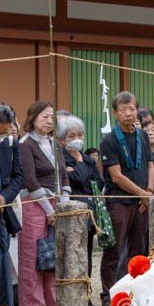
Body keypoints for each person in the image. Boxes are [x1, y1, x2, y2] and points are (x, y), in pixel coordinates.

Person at [100, 92, 154, 306]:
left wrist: (149, 191)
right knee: (114, 249)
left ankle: (137, 291)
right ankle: (108, 294)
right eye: (122, 110)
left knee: (138, 249)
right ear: (115, 113)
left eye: (131, 109)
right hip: (119, 201)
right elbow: (116, 176)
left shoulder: (142, 135)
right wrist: (142, 194)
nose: (128, 113)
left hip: (142, 202)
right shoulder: (109, 140)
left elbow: (150, 165)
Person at [17, 101, 69, 306]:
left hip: (57, 203)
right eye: (44, 117)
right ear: (33, 118)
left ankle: (52, 303)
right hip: (34, 203)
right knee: (33, 256)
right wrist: (49, 209)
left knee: (52, 254)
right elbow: (30, 180)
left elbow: (64, 175)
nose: (48, 121)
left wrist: (64, 201)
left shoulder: (55, 144)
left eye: (51, 117)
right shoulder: (25, 144)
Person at [58, 115, 103, 291]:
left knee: (87, 255)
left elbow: (97, 184)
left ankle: (86, 292)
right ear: (62, 139)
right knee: (70, 255)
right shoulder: (60, 159)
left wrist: (78, 169)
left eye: (80, 135)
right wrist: (78, 165)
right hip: (70, 213)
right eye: (71, 136)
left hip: (88, 213)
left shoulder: (89, 159)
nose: (77, 140)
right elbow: (74, 179)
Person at [0, 103, 22, 306]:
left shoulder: (12, 144)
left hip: (1, 213)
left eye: (8, 127)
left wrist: (5, 196)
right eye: (2, 128)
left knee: (1, 264)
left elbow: (17, 176)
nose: (6, 132)